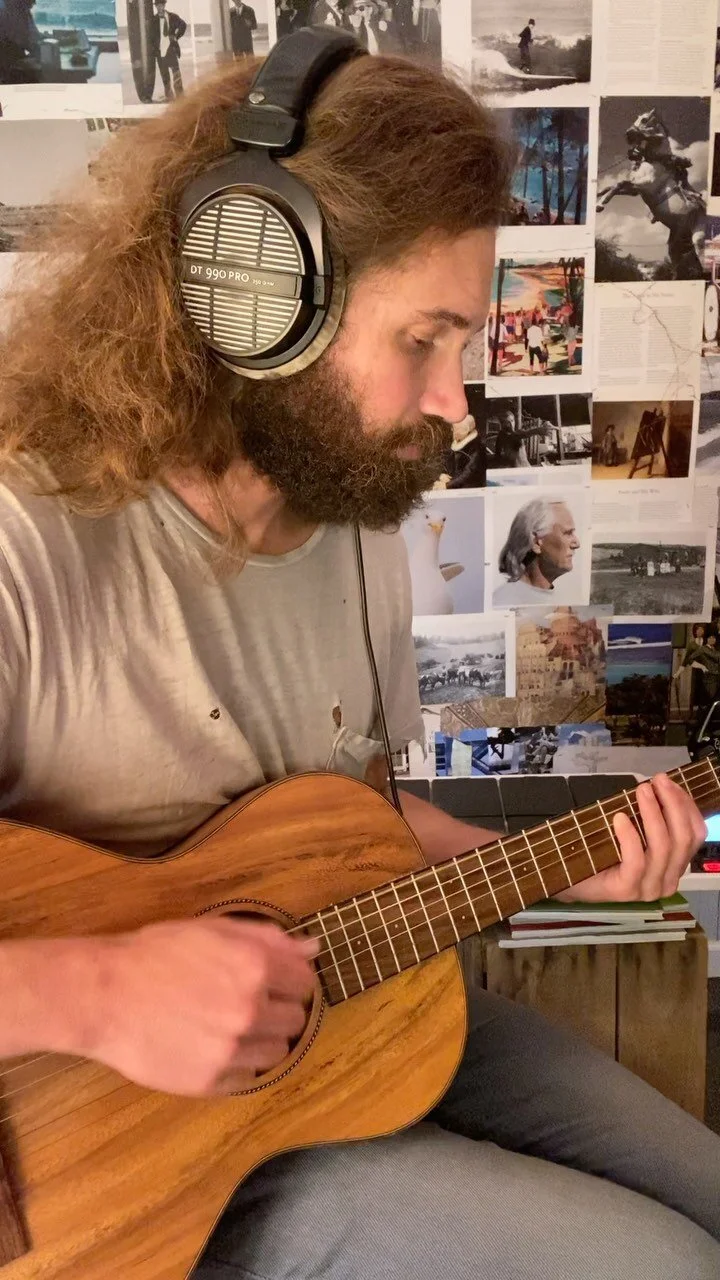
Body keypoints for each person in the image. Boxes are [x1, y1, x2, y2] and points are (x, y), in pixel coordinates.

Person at [0, 41, 716, 1280]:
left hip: (367, 1019)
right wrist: (96, 994)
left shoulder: (356, 525)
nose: (455, 403)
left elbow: (359, 829)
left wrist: (563, 868)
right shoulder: (27, 538)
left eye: (464, 343)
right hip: (128, 1157)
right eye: (423, 340)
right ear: (255, 307)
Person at [492, 497, 581, 605]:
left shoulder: (563, 601)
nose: (577, 544)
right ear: (536, 542)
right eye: (567, 533)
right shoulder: (504, 602)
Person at [150, 0, 186, 100]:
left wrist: (176, 36)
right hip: (160, 51)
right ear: (156, 6)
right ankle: (169, 97)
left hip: (171, 49)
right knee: (165, 75)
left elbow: (183, 25)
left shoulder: (172, 17)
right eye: (158, 5)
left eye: (161, 5)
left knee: (176, 72)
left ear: (164, 5)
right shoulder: (153, 20)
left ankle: (180, 96)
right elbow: (150, 37)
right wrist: (154, 49)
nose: (160, 7)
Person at [0, 0, 42, 83]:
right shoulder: (7, 12)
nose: (34, 3)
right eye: (31, 0)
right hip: (7, 63)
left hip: (16, 57)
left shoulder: (23, 11)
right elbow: (25, 40)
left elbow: (33, 36)